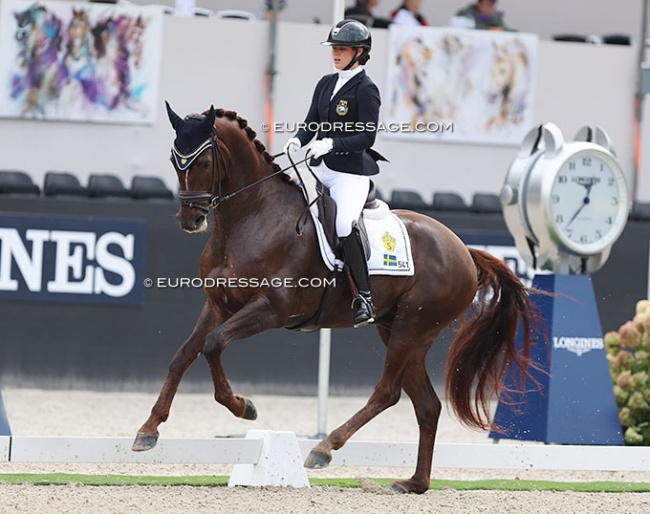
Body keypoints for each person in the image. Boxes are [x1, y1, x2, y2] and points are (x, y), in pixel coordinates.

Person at [283, 19, 384, 328]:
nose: (336, 54)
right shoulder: (326, 83)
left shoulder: (367, 90)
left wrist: (330, 144)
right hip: (320, 169)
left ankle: (363, 297)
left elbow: (367, 137)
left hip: (349, 174)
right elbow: (312, 120)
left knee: (343, 223)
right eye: (334, 49)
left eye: (341, 49)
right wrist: (298, 140)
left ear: (359, 52)